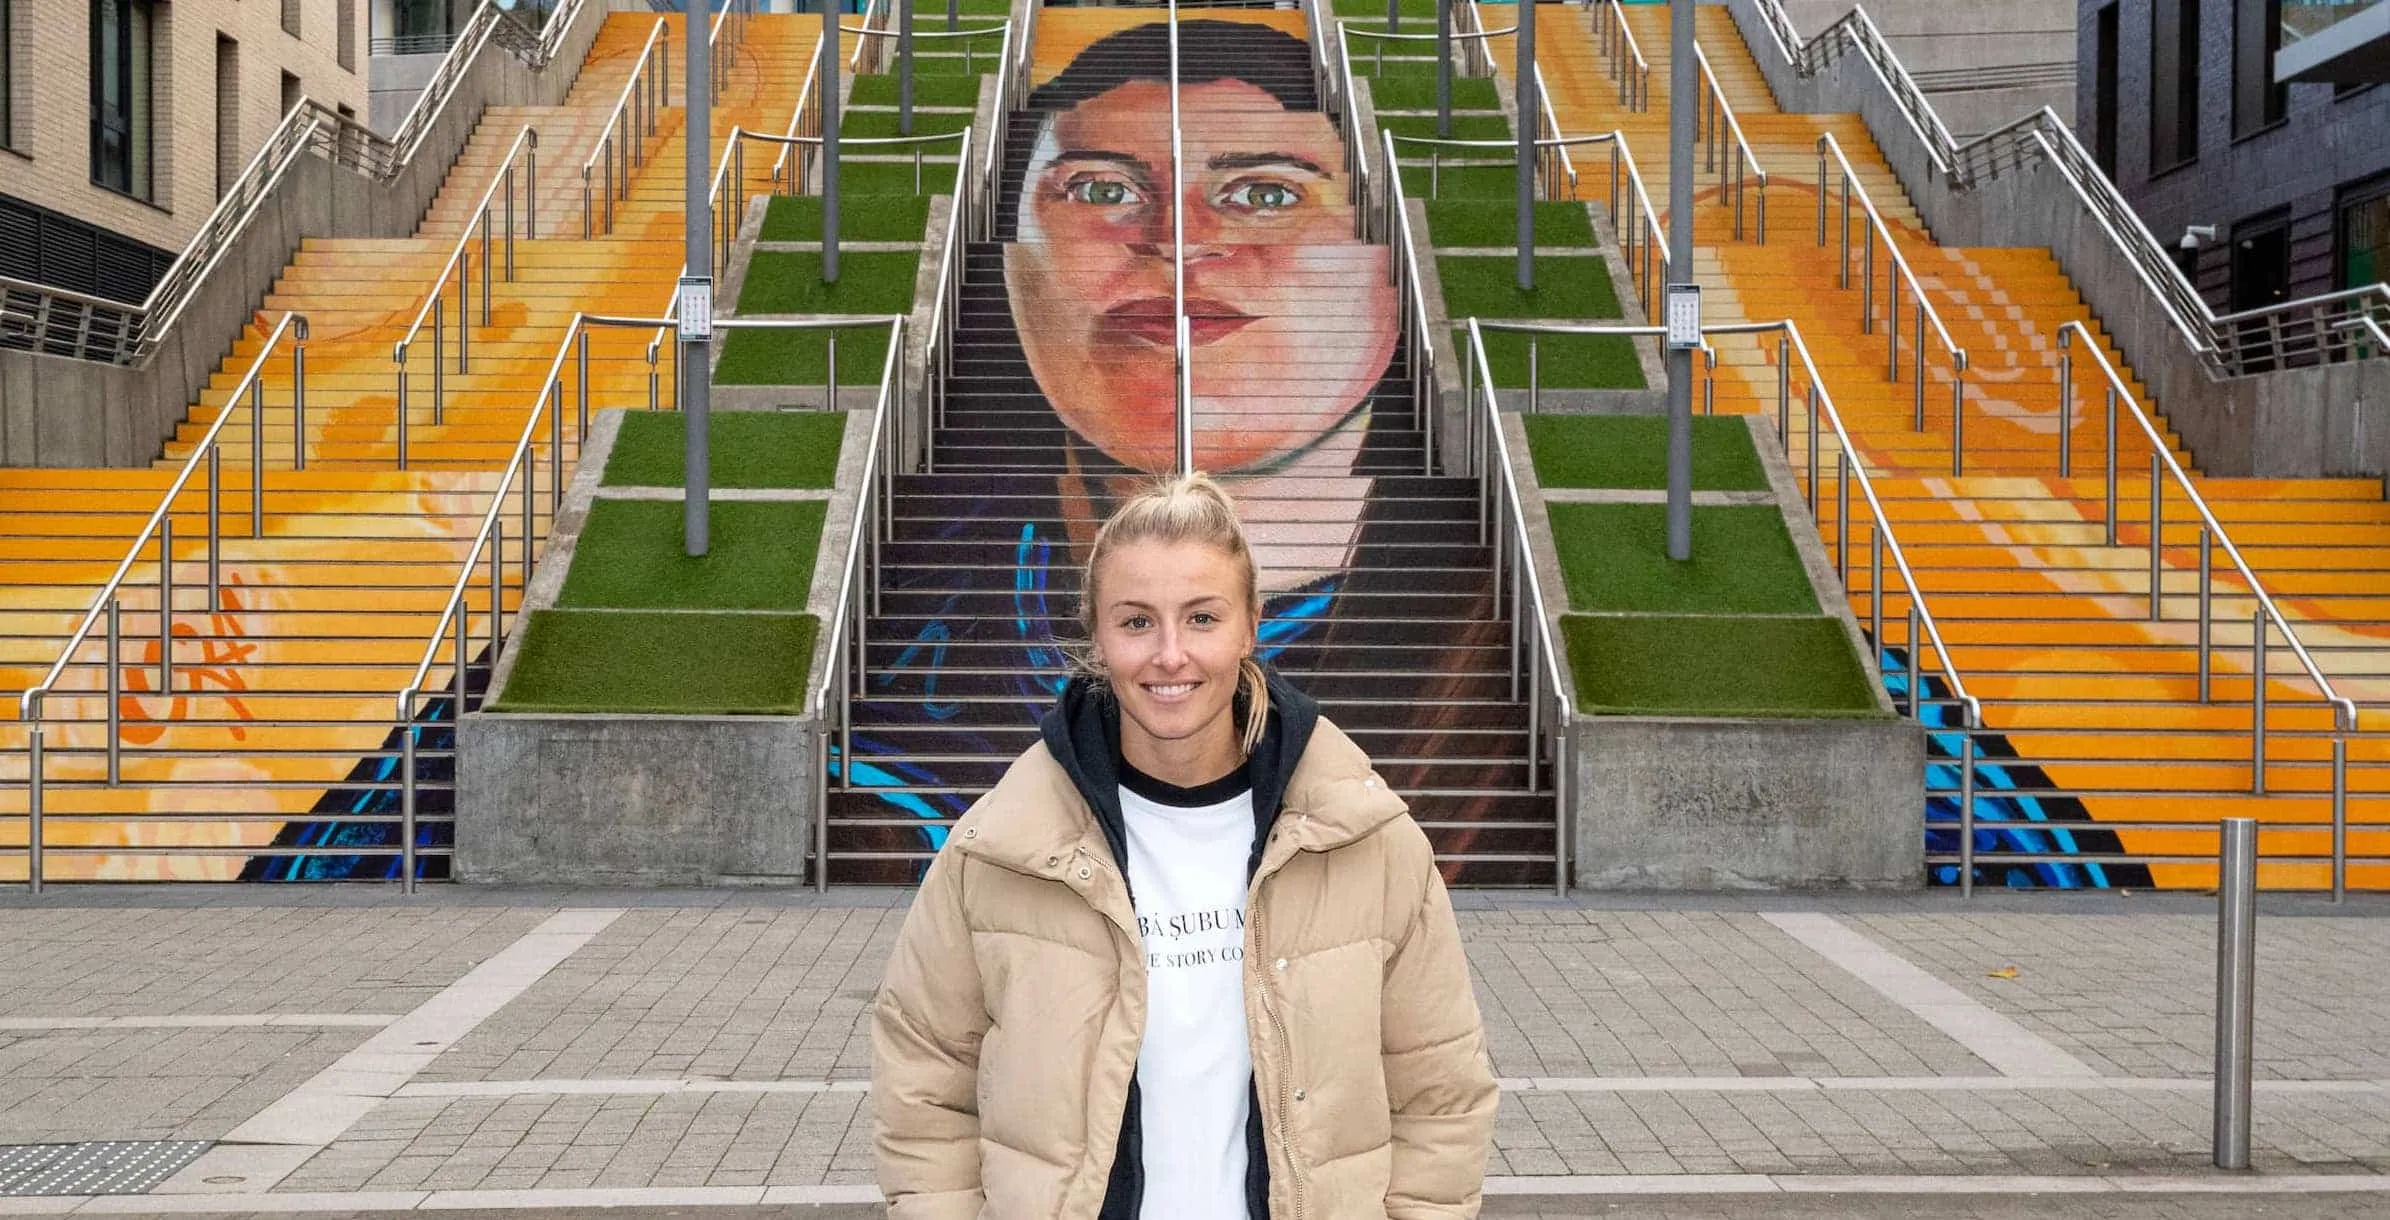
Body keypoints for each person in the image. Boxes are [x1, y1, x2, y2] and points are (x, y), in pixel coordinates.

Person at [871, 474, 1499, 1218]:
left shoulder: (1368, 843)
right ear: (1096, 633)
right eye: (1136, 622)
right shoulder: (997, 851)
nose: (1171, 655)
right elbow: (924, 1083)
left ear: (1249, 626)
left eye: (1202, 617)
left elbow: (1441, 1094)